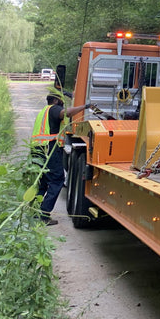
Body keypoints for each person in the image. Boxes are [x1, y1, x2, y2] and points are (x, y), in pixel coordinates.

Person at [31, 92, 92, 225]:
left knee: (43, 182)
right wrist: (85, 106)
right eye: (61, 101)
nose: (62, 104)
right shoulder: (54, 109)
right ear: (56, 100)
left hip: (38, 150)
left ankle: (36, 212)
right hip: (49, 150)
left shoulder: (44, 111)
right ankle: (44, 215)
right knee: (57, 179)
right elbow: (67, 113)